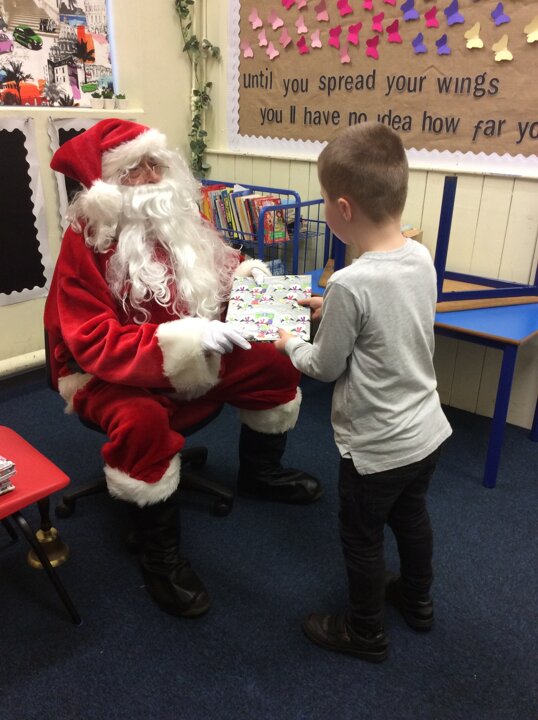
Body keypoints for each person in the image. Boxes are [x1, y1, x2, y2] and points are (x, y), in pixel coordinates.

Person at [45, 118, 322, 619]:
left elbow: (222, 267)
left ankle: (261, 473)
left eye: (156, 162)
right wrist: (188, 340)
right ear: (106, 185)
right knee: (141, 421)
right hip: (106, 371)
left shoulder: (180, 216)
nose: (153, 176)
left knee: (273, 362)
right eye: (135, 168)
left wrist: (255, 285)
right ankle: (160, 556)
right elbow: (91, 342)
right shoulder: (87, 241)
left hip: (194, 352)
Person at [274, 122, 452, 662]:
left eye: (325, 199)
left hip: (377, 447)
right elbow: (388, 317)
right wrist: (332, 311)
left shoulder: (350, 283)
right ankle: (418, 601)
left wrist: (288, 342)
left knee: (361, 537)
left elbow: (324, 367)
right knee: (411, 517)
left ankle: (365, 631)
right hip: (426, 431)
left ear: (343, 209)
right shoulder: (419, 256)